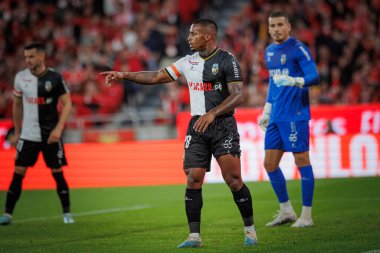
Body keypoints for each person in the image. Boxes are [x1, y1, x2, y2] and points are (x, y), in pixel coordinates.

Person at [100, 18, 257, 247]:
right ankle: (194, 237)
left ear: (208, 36)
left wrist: (212, 113)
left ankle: (250, 231)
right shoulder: (187, 62)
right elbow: (156, 76)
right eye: (190, 33)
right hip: (197, 126)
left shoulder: (227, 61)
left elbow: (238, 95)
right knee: (193, 178)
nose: (189, 37)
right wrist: (124, 75)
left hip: (222, 125)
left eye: (194, 34)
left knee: (233, 180)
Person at [0, 42, 74, 225]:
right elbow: (17, 106)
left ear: (41, 56)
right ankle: (7, 214)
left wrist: (58, 129)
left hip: (50, 135)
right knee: (18, 172)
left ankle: (67, 213)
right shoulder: (21, 78)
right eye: (25, 57)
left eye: (31, 57)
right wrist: (17, 133)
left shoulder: (55, 78)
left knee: (57, 172)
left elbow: (67, 104)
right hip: (28, 135)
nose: (27, 60)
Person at [258, 11, 319, 228]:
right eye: (272, 25)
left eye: (280, 25)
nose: (275, 29)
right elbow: (274, 84)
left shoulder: (298, 48)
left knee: (302, 161)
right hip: (276, 115)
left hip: (296, 114)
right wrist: (266, 110)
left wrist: (294, 80)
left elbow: (314, 76)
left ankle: (307, 216)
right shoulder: (269, 52)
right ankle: (286, 211)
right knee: (269, 163)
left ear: (289, 27)